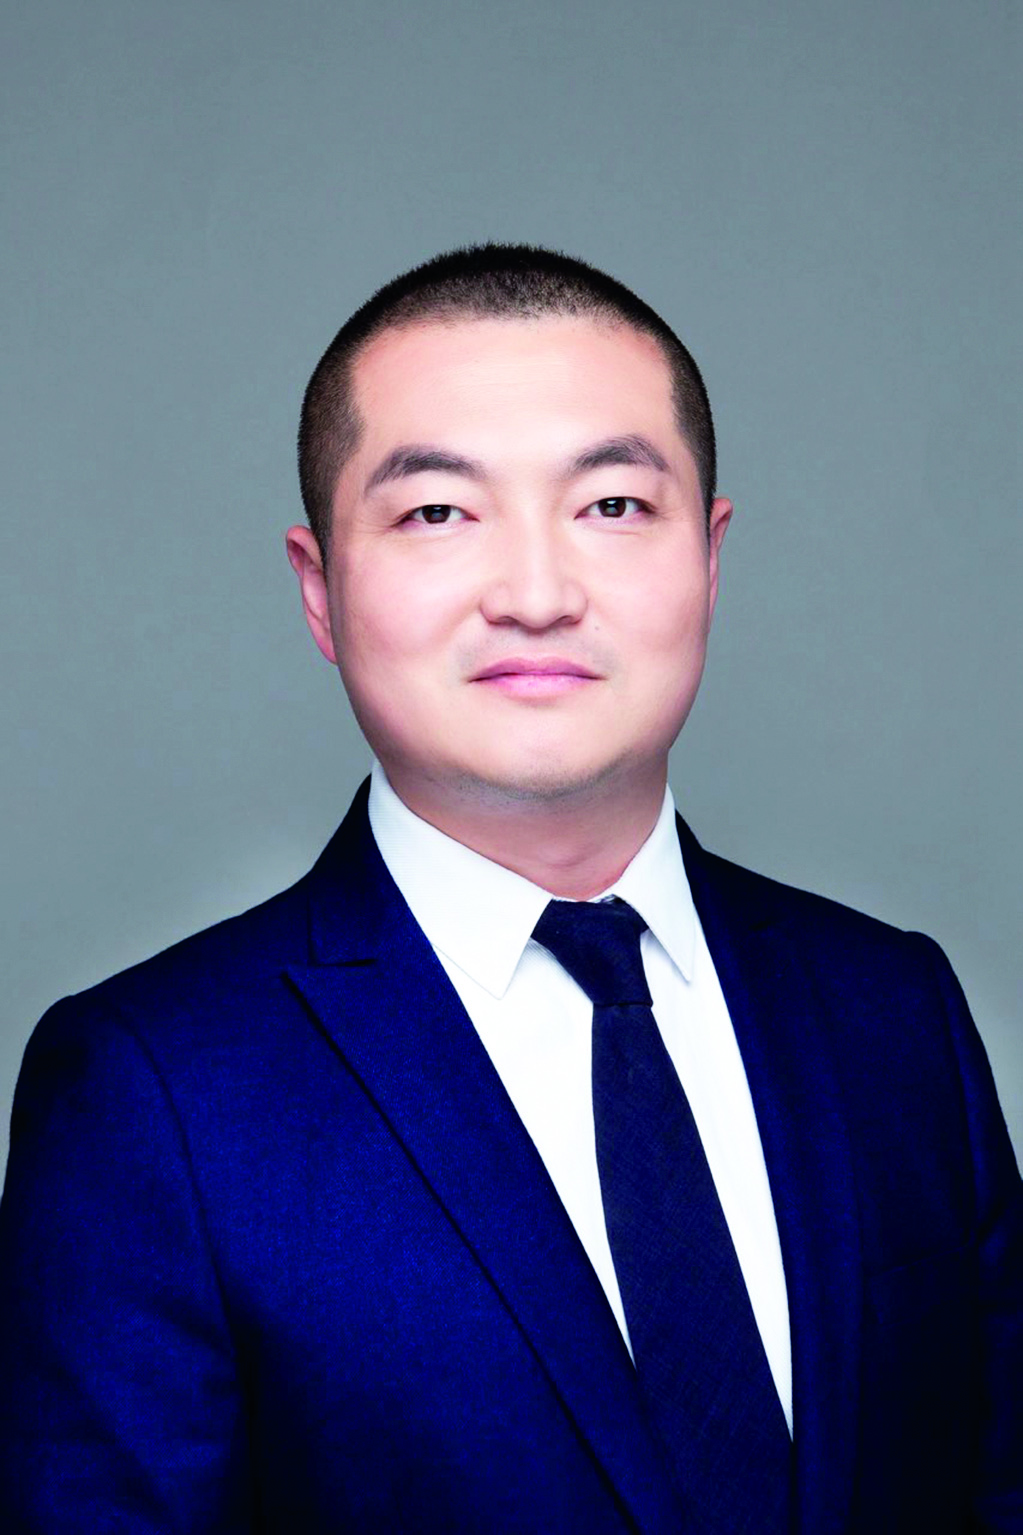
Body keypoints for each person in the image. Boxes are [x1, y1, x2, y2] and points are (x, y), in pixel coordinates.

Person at [1, 244, 1020, 1534]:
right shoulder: (150, 1092)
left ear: (711, 558)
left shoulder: (895, 1013)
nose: (536, 596)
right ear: (321, 590)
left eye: (613, 506)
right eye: (438, 513)